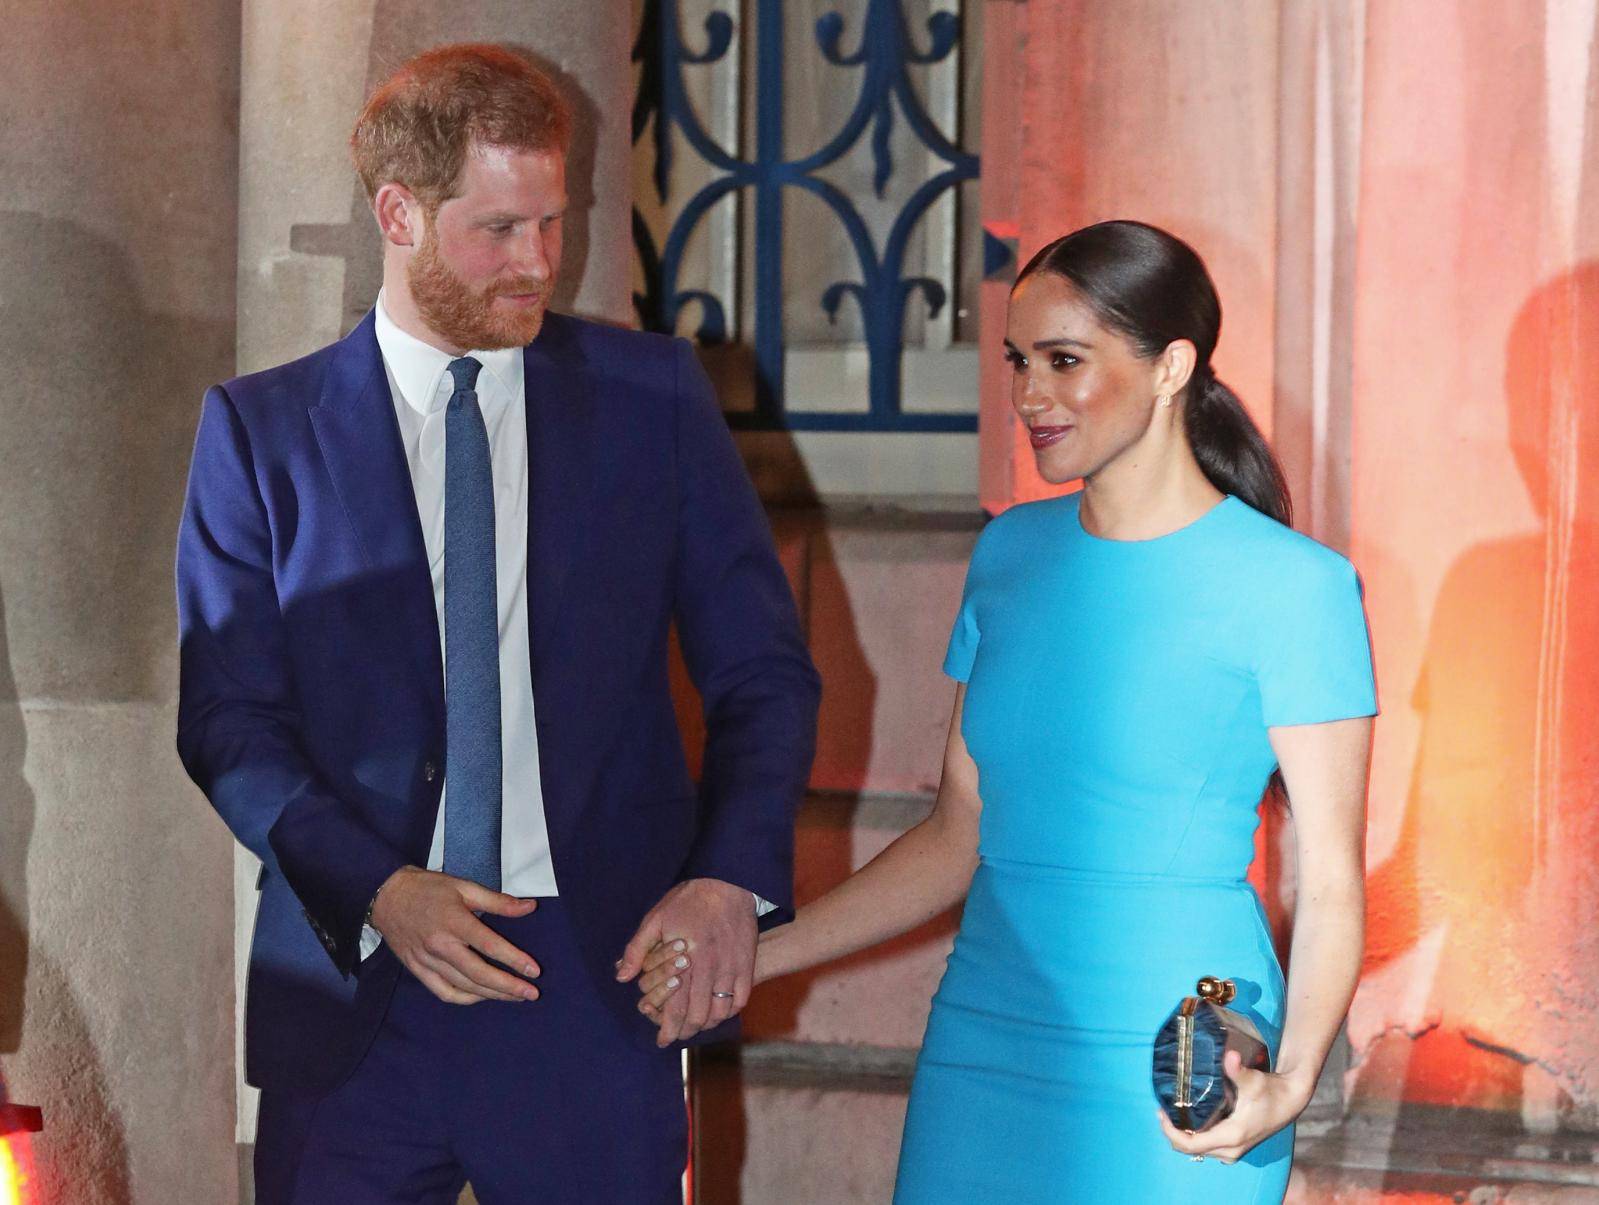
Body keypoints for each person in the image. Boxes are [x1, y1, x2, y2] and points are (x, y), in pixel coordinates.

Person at [175, 43, 818, 1204]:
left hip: (593, 979)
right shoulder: (260, 433)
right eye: (498, 230)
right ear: (399, 213)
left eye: (553, 224)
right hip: (355, 990)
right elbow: (226, 718)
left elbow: (765, 673)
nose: (537, 263)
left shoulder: (654, 400)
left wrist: (729, 877)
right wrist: (378, 884)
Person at [637, 220, 1376, 1201]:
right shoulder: (1011, 556)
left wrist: (1288, 1082)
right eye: (1019, 361)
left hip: (1177, 1053)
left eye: (1065, 361)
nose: (1029, 395)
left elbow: (1329, 879)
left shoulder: (1296, 587)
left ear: (1172, 367)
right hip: (985, 1040)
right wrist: (746, 959)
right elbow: (956, 836)